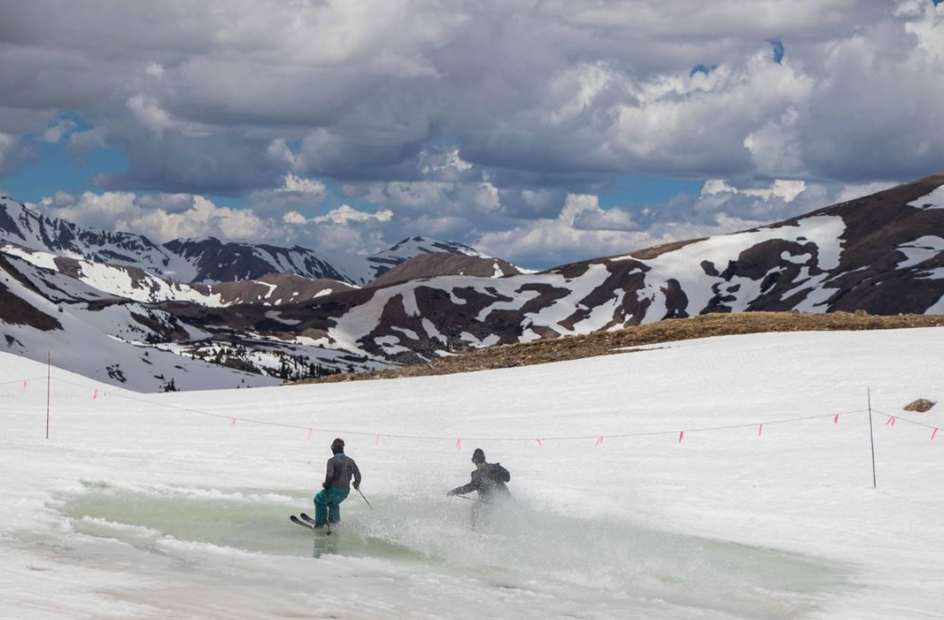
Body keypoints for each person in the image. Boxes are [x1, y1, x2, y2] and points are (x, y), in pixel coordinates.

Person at [448, 448, 511, 527]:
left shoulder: (493, 469)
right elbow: (470, 487)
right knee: (476, 508)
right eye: (476, 463)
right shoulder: (483, 472)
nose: (478, 465)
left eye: (478, 462)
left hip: (498, 500)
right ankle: (477, 528)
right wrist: (455, 491)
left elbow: (507, 477)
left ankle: (480, 528)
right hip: (494, 500)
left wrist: (499, 475)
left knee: (479, 509)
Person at [313, 438, 362, 528]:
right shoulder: (350, 461)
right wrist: (356, 483)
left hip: (333, 490)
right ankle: (335, 524)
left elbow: (329, 476)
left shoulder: (332, 461)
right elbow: (358, 475)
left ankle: (320, 524)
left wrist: (326, 485)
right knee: (333, 504)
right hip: (345, 492)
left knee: (319, 500)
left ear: (333, 449)